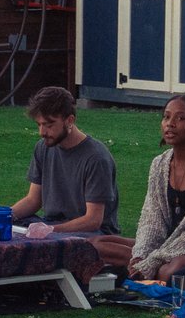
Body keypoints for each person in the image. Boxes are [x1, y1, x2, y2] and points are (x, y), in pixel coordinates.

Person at [121, 93, 185, 282]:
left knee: (169, 271)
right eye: (166, 117)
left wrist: (154, 259)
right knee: (99, 244)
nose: (170, 124)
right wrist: (141, 254)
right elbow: (151, 218)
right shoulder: (159, 163)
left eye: (181, 118)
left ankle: (143, 273)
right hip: (168, 243)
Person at [9, 84, 121, 244]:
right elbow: (33, 200)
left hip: (90, 232)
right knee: (3, 222)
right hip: (52, 223)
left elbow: (93, 220)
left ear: (69, 121)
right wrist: (4, 215)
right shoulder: (43, 148)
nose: (42, 132)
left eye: (49, 125)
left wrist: (50, 230)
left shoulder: (96, 158)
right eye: (39, 125)